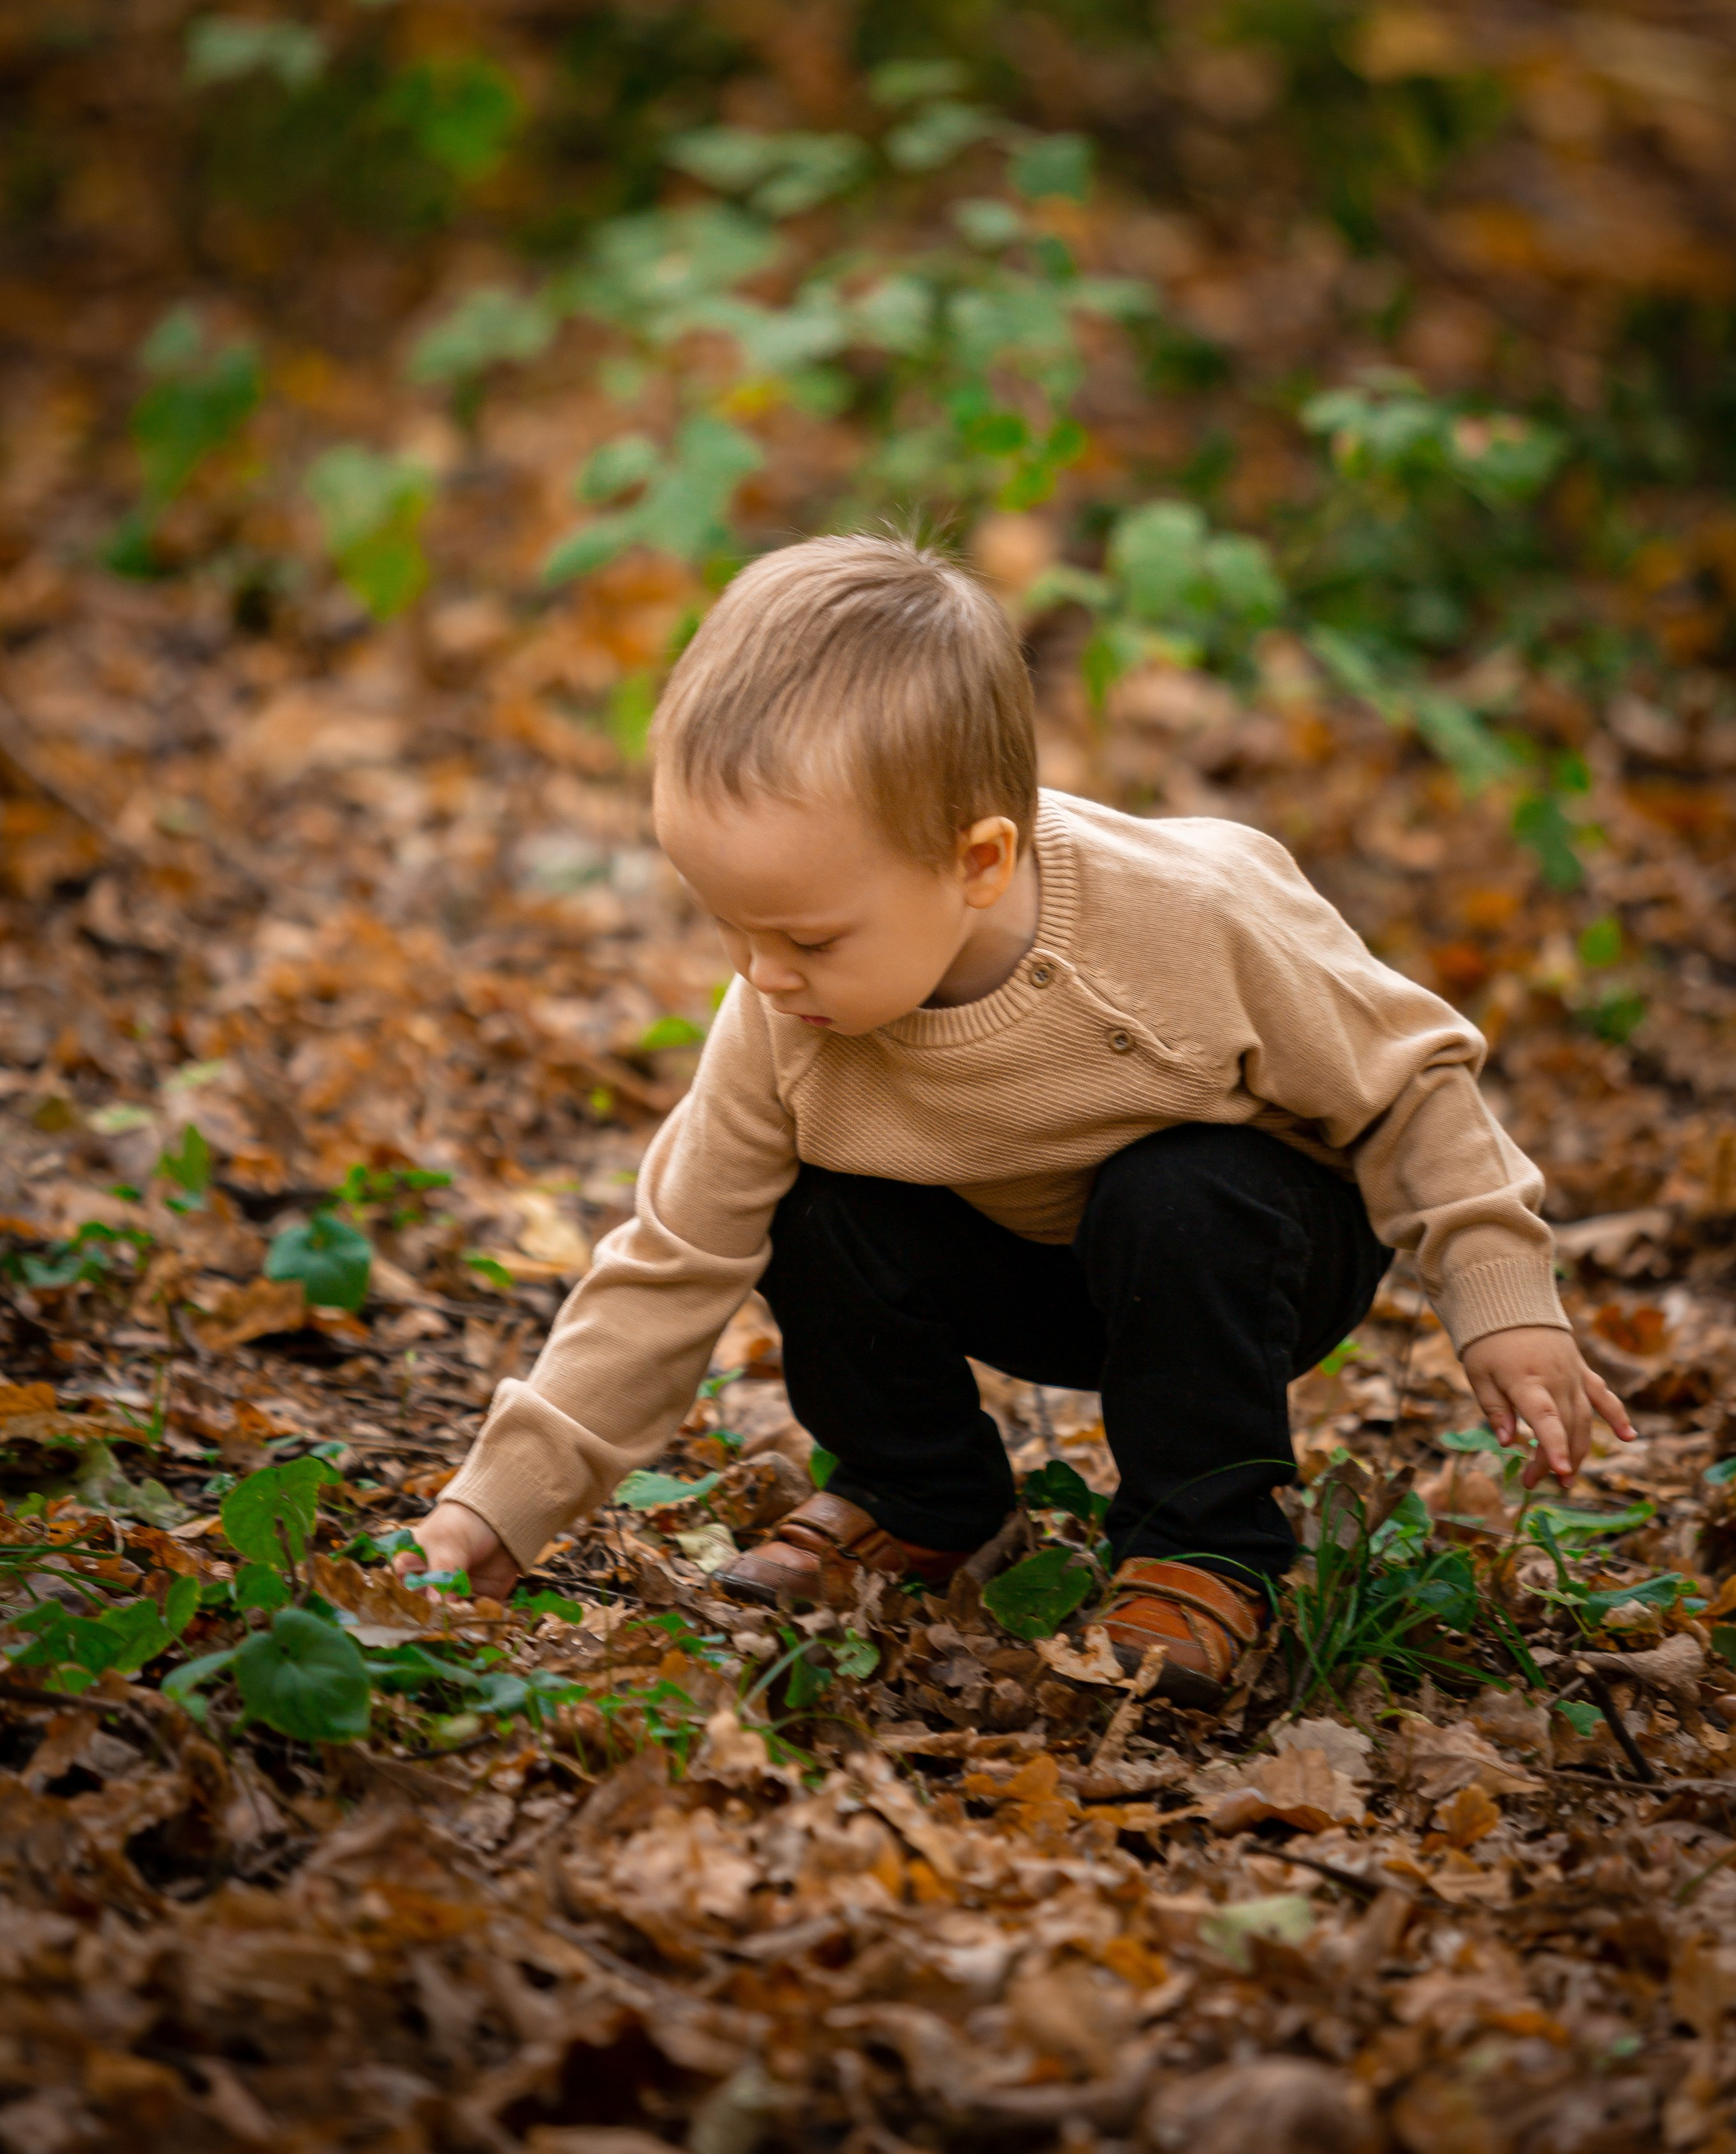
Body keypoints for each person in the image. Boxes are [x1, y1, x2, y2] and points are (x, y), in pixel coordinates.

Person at [405, 534, 1633, 1705]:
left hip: (1245, 1258)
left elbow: (1406, 1076)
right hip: (1023, 1262)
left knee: (1183, 1185)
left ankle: (1204, 1545)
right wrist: (496, 1504)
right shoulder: (780, 1018)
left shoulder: (1188, 921)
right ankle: (919, 1496)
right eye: (728, 927)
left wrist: (1499, 1293)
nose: (760, 973)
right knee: (809, 1198)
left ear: (978, 862)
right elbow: (674, 1261)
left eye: (807, 937)